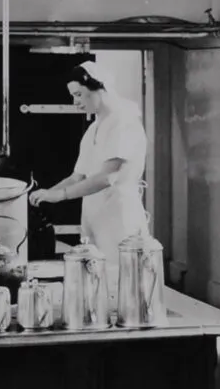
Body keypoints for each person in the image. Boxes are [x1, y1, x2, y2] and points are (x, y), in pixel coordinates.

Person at [28, 63, 147, 258]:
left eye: (78, 94)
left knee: (120, 278)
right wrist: (46, 194)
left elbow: (107, 177)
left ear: (100, 88)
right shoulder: (94, 128)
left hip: (120, 219)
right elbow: (77, 177)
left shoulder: (124, 122)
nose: (75, 102)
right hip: (95, 218)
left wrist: (60, 196)